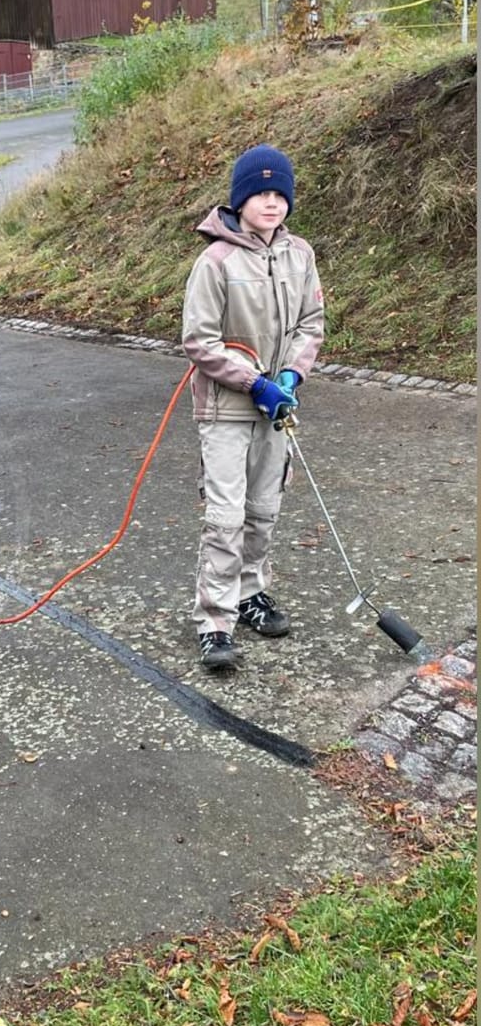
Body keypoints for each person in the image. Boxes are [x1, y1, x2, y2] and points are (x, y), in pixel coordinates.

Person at [181, 144, 325, 676]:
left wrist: (290, 375)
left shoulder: (299, 255)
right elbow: (198, 341)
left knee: (264, 511)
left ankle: (249, 596)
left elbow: (311, 323)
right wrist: (254, 383)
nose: (270, 203)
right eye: (260, 193)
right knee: (225, 518)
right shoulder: (215, 261)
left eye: (278, 193)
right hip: (226, 409)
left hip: (276, 409)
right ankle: (214, 622)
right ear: (240, 200)